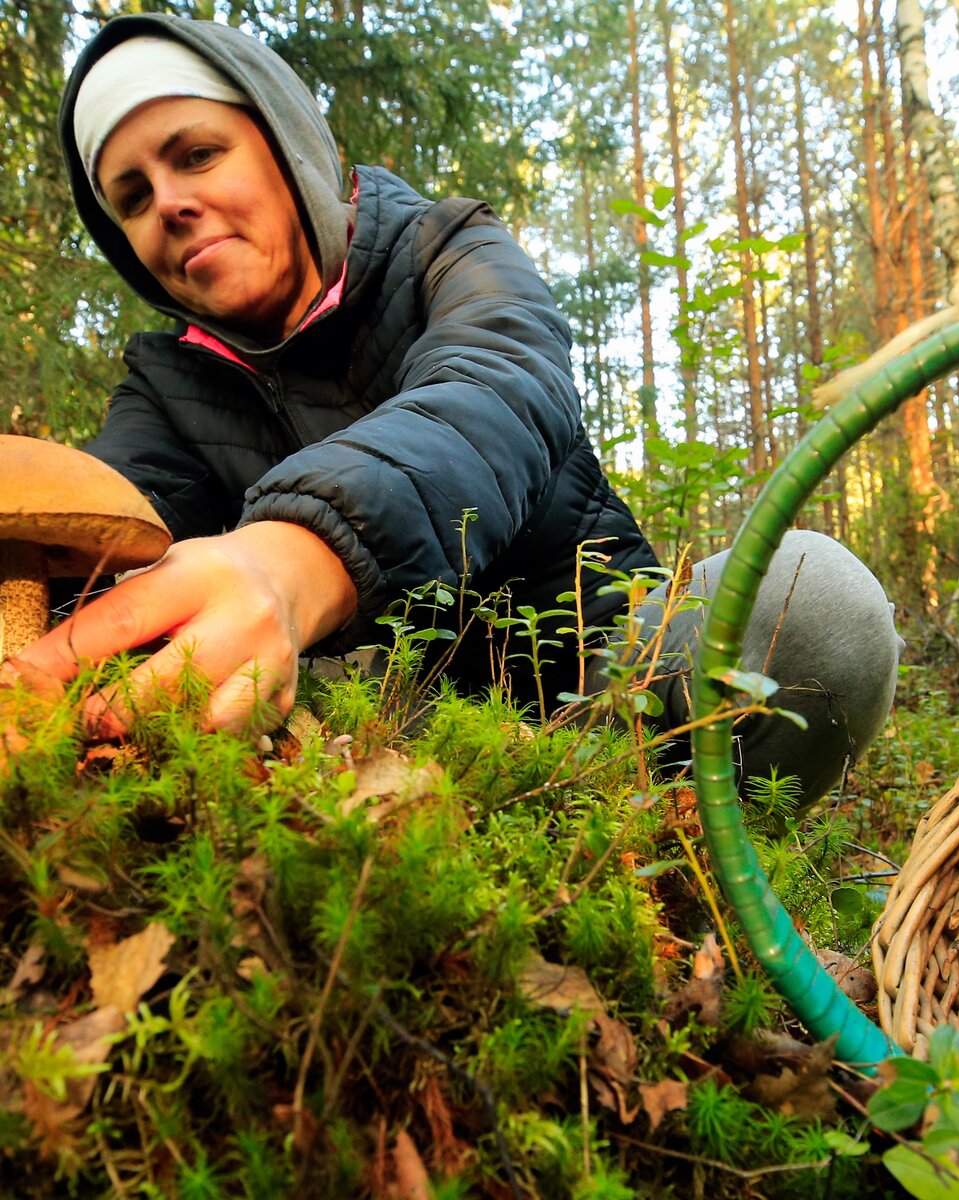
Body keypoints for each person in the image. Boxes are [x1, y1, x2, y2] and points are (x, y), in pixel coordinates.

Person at [10, 13, 901, 803]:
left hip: (600, 683)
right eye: (130, 196)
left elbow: (499, 388)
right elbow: (112, 546)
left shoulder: (445, 248)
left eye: (197, 153)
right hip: (365, 736)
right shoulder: (163, 387)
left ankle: (660, 880)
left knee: (816, 606)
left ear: (285, 144)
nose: (169, 203)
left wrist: (291, 566)